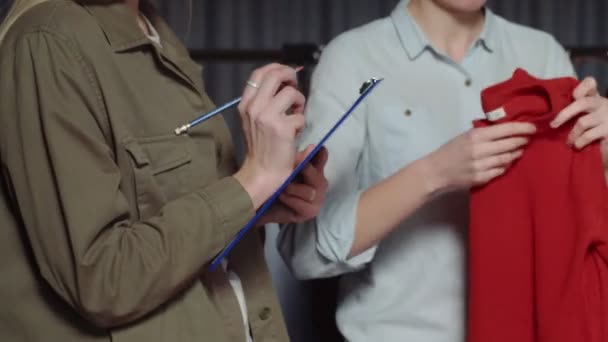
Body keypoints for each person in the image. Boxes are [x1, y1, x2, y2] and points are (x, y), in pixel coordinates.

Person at [278, 0, 608, 341]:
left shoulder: (542, 54)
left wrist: (604, 157)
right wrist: (436, 173)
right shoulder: (354, 58)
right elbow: (305, 252)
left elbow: (580, 229)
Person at [0, 0, 328, 341]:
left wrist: (258, 202)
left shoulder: (151, 27)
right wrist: (251, 182)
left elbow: (162, 210)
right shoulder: (48, 41)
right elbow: (102, 280)